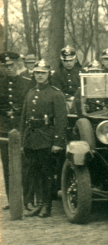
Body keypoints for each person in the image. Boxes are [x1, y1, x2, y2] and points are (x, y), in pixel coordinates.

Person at [19, 60, 67, 218]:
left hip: (46, 137)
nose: (40, 75)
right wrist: (22, 141)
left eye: (43, 73)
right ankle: (38, 204)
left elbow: (61, 120)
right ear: (33, 74)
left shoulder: (56, 94)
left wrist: (57, 142)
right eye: (37, 73)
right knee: (34, 173)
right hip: (31, 139)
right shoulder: (31, 92)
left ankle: (47, 205)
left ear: (49, 74)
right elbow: (24, 118)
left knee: (47, 174)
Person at [1, 52, 32, 205]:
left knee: (25, 164)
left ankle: (27, 200)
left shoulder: (26, 83)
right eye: (5, 66)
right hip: (4, 129)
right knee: (7, 165)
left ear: (17, 65)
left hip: (22, 128)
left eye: (11, 65)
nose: (8, 69)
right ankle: (12, 200)